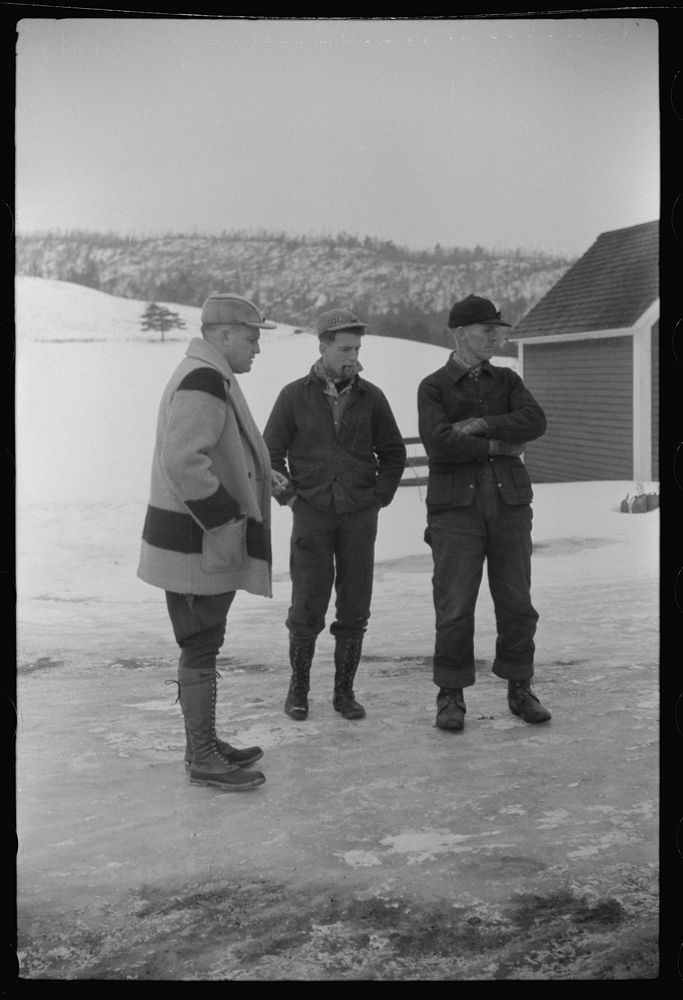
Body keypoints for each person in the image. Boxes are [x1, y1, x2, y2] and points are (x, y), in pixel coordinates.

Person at [137, 292, 288, 791]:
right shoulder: (203, 378)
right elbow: (184, 462)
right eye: (251, 337)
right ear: (222, 336)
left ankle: (202, 743)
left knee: (204, 641)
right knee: (200, 642)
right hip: (198, 542)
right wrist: (225, 519)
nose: (256, 349)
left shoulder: (208, 372)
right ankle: (202, 755)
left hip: (196, 543)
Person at [263, 308, 407, 721]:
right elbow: (269, 453)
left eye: (357, 348)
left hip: (360, 515)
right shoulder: (293, 396)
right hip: (311, 513)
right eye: (344, 348)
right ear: (322, 348)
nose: (353, 356)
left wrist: (379, 496)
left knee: (355, 603)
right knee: (307, 602)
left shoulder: (372, 397)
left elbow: (393, 454)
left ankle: (344, 692)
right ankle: (299, 689)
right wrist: (289, 497)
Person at [417, 294, 552, 732]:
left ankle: (520, 687)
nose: (496, 336)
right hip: (455, 510)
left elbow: (535, 421)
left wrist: (480, 425)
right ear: (460, 334)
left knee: (517, 601)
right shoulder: (433, 387)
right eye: (486, 329)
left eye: (498, 329)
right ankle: (451, 694)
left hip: (509, 505)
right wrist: (500, 444)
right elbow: (439, 442)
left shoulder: (508, 380)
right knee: (454, 605)